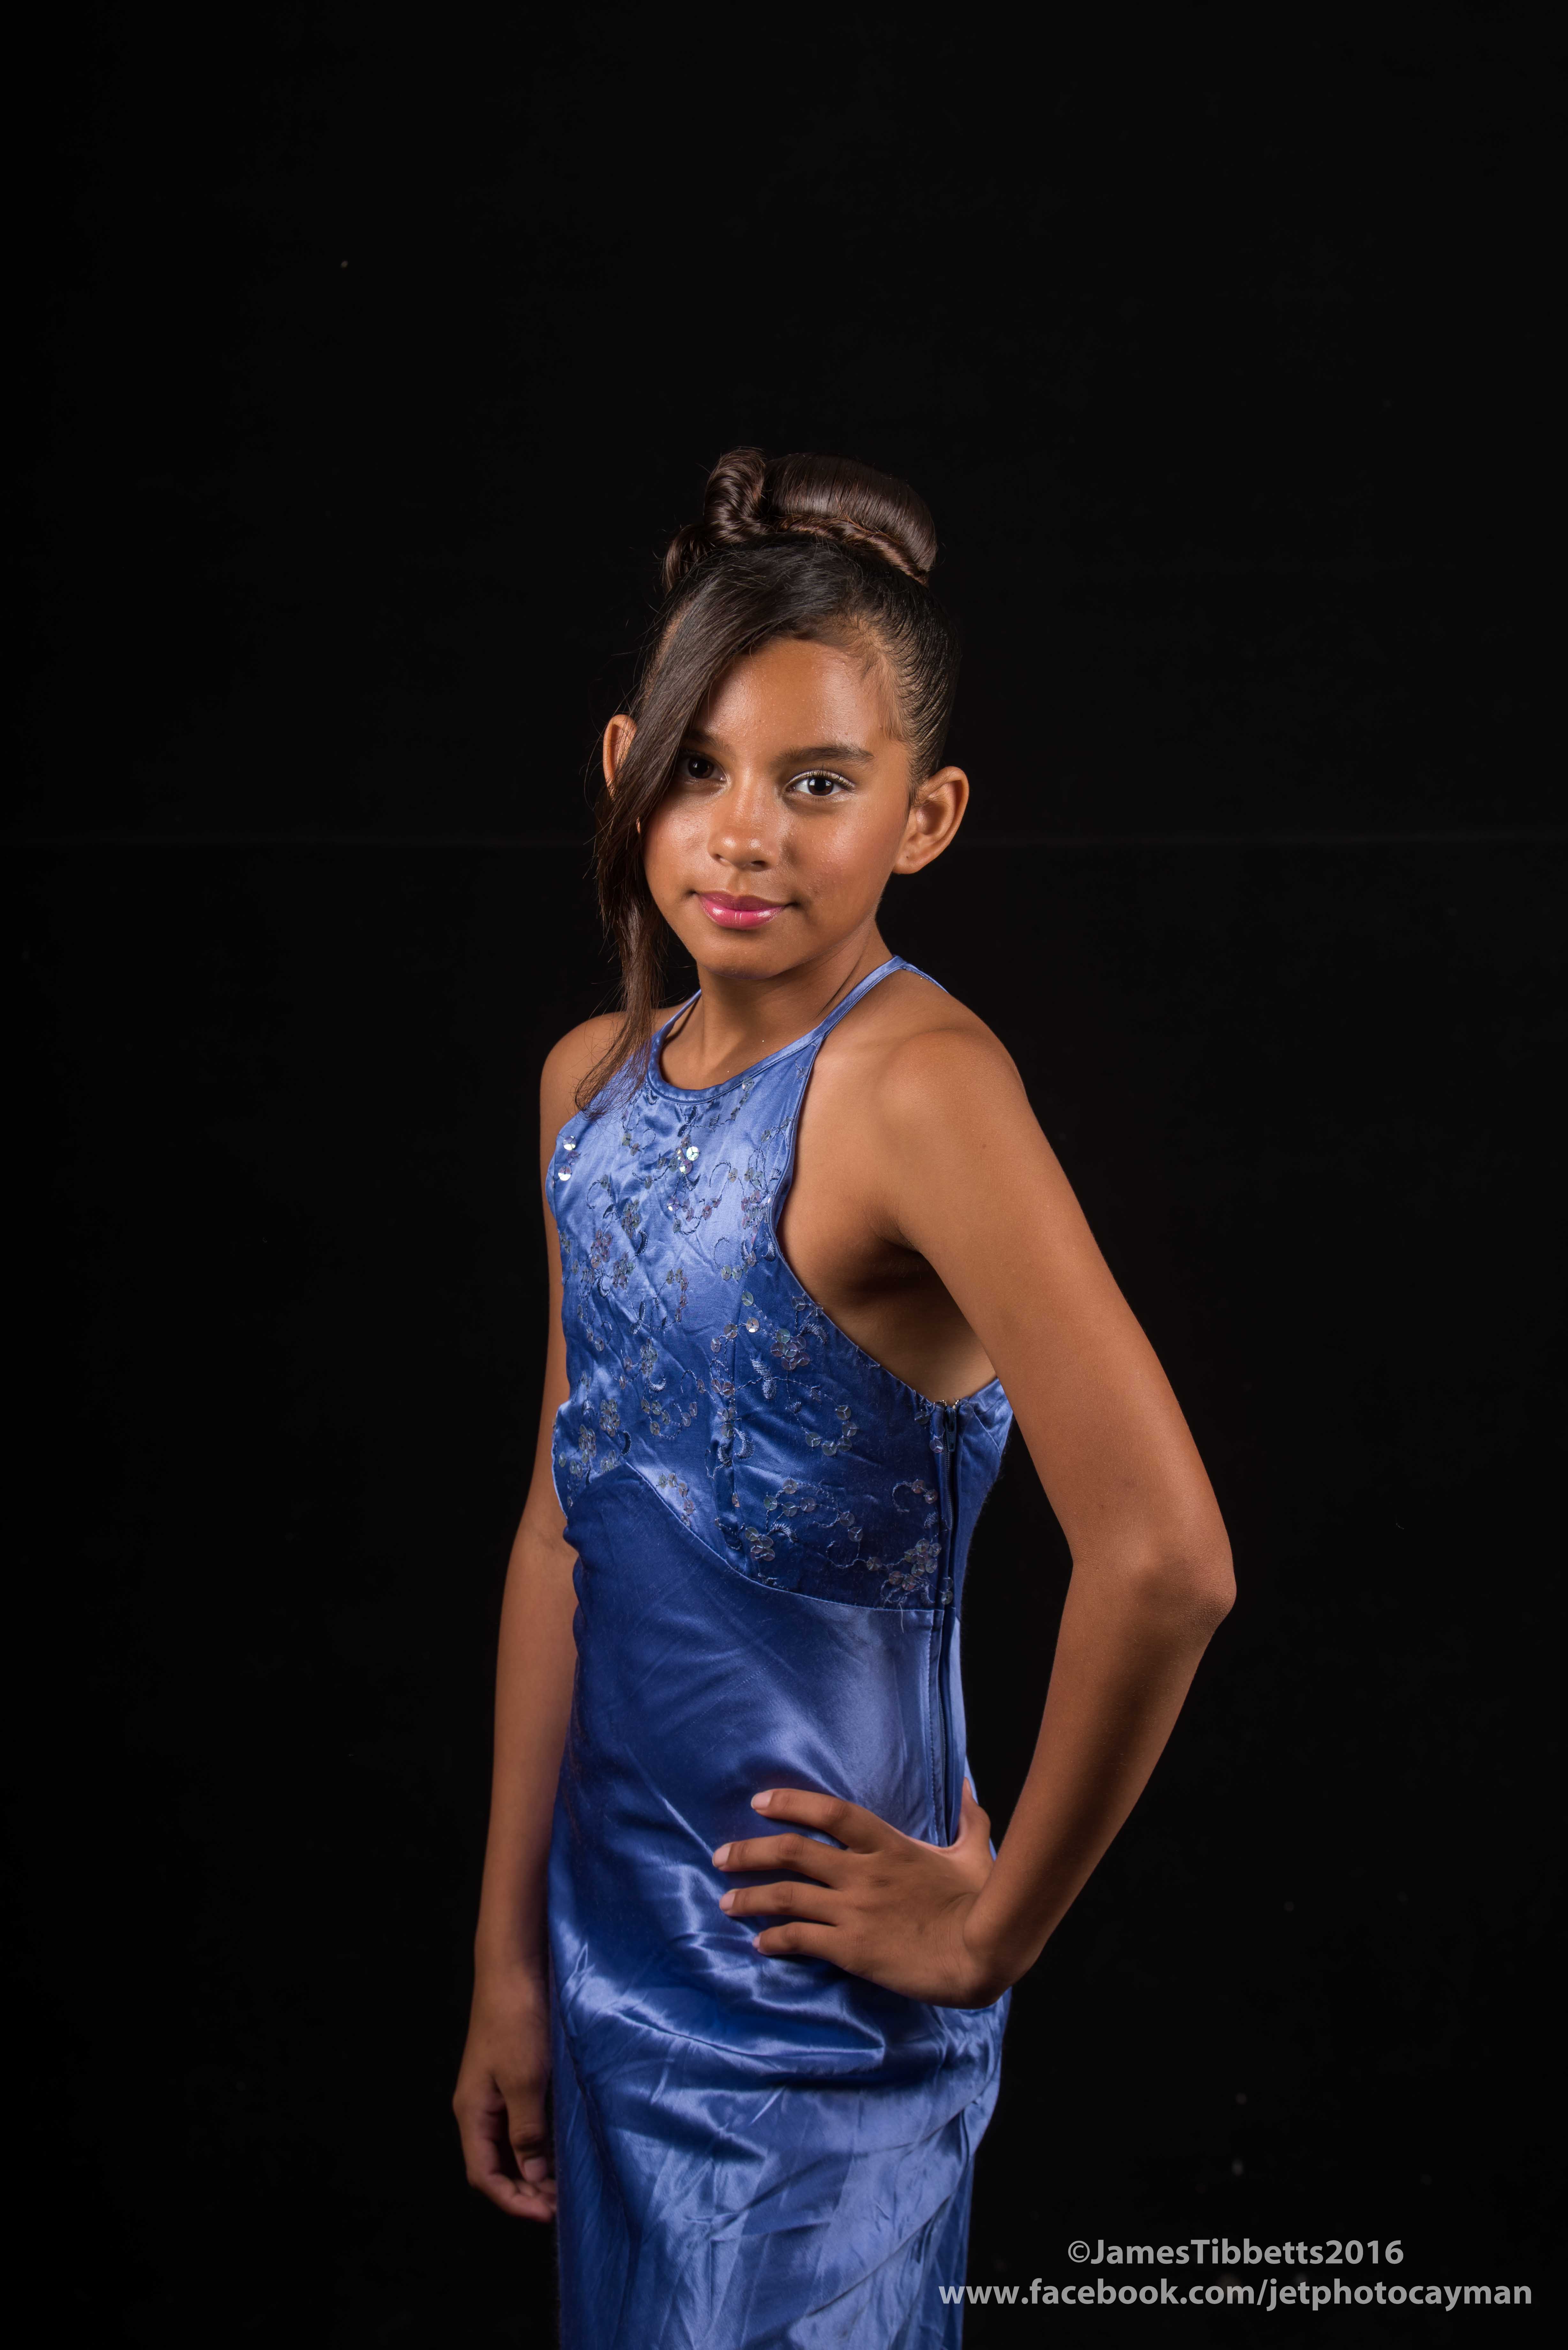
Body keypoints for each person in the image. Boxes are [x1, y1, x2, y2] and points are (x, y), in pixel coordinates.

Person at [453, 449, 1234, 2346]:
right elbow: (565, 1526)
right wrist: (507, 1963)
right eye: (700, 770)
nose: (745, 836)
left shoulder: (916, 1089)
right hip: (609, 1925)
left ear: (926, 813)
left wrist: (989, 1928)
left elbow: (1167, 1560)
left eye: (819, 783)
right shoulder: (587, 1084)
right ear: (627, 766)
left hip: (816, 2003)